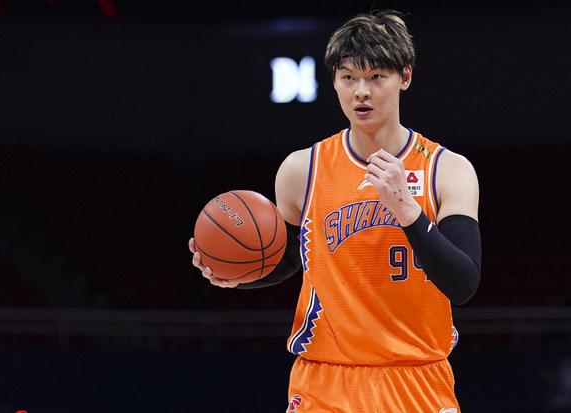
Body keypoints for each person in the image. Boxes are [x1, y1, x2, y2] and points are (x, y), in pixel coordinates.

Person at [189, 10, 481, 412]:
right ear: (335, 81)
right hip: (325, 380)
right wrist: (235, 276)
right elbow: (290, 259)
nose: (361, 92)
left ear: (405, 77)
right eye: (348, 77)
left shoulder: (446, 170)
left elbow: (464, 283)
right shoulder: (302, 170)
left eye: (376, 77)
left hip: (417, 376)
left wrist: (408, 210)